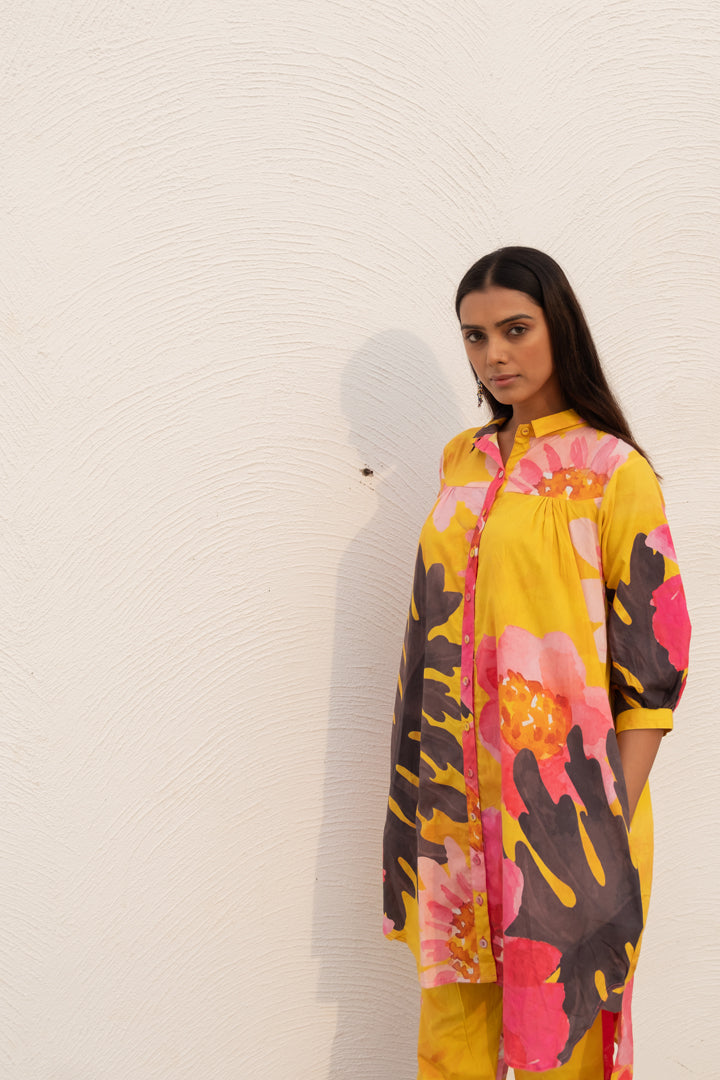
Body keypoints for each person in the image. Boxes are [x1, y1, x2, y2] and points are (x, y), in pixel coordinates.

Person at [382, 247, 690, 1079]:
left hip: (562, 816)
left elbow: (654, 669)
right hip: (452, 808)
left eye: (515, 330)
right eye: (475, 336)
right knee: (452, 1048)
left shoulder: (614, 471)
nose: (495, 355)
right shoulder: (462, 459)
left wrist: (606, 822)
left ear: (561, 328)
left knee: (564, 1045)